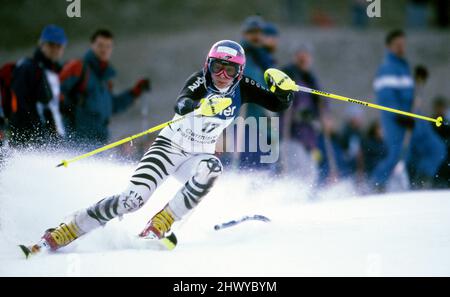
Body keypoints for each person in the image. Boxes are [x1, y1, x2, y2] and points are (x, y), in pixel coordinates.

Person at [22, 40, 293, 254]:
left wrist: (285, 90)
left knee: (212, 167)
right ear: (207, 65)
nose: (222, 75)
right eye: (216, 67)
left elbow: (277, 104)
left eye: (230, 69)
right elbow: (182, 101)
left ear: (240, 72)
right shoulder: (200, 80)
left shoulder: (242, 87)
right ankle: (66, 230)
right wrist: (199, 106)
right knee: (131, 201)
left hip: (198, 155)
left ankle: (160, 225)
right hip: (170, 147)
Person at [370, 30, 446, 191]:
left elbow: (413, 96)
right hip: (397, 122)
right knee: (398, 156)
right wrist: (400, 115)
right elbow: (386, 98)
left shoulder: (404, 68)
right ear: (389, 47)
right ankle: (376, 185)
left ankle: (421, 182)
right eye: (397, 45)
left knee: (436, 148)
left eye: (403, 44)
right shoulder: (387, 69)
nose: (401, 48)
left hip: (415, 120)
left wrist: (419, 80)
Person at [59, 29, 150, 147]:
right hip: (77, 140)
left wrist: (134, 93)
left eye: (108, 46)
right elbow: (56, 88)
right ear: (92, 45)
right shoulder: (78, 68)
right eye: (100, 45)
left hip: (99, 142)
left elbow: (112, 106)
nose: (104, 50)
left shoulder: (105, 79)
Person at [8, 25, 67, 146]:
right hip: (32, 142)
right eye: (51, 44)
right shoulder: (28, 68)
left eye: (59, 46)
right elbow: (19, 105)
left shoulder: (58, 72)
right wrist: (35, 138)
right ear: (41, 44)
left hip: (56, 141)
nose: (55, 49)